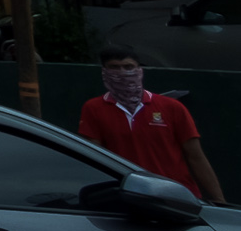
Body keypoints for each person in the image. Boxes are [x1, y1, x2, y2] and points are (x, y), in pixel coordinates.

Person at [78, 48, 225, 203]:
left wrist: (219, 200)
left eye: (128, 67)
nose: (122, 73)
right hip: (126, 196)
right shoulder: (94, 108)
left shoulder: (172, 107)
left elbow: (196, 157)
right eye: (114, 67)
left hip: (176, 197)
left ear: (139, 70)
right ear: (104, 71)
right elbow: (93, 156)